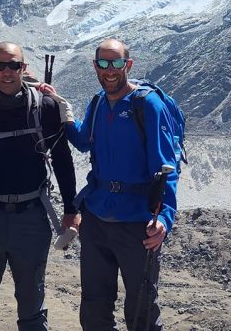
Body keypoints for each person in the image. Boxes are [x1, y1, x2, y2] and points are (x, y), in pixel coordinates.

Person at [55, 38, 179, 331]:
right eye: (103, 63)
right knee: (94, 307)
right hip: (97, 218)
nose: (109, 70)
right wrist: (64, 114)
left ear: (128, 65)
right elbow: (84, 142)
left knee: (141, 311)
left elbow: (166, 168)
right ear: (95, 66)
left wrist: (164, 218)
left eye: (116, 63)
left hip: (138, 223)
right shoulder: (98, 102)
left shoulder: (147, 105)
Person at [0, 41, 79, 331]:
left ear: (23, 68)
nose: (6, 72)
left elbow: (63, 160)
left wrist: (70, 209)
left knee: (32, 303)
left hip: (31, 215)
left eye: (13, 65)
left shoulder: (47, 108)